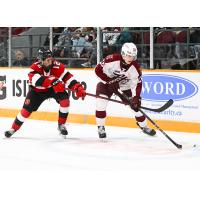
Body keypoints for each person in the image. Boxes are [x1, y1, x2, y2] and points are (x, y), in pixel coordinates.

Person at [4, 48, 86, 138]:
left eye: (51, 60)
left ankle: (61, 125)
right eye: (47, 60)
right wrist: (54, 81)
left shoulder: (57, 66)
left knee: (65, 101)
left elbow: (68, 78)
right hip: (37, 91)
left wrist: (78, 87)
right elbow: (37, 81)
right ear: (41, 60)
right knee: (25, 111)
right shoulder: (34, 67)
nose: (50, 62)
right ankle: (13, 128)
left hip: (53, 89)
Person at [94, 42, 156, 138]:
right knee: (101, 102)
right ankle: (101, 127)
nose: (130, 58)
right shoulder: (112, 59)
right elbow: (97, 70)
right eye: (128, 55)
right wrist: (108, 81)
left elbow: (138, 84)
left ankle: (144, 126)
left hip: (124, 87)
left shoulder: (135, 67)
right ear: (123, 54)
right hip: (106, 83)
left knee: (136, 107)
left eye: (132, 56)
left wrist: (137, 98)